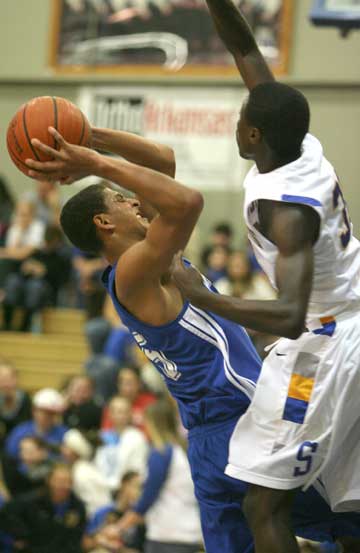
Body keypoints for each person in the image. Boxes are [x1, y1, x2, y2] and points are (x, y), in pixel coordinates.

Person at [24, 123, 360, 552]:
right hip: (246, 425)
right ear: (105, 221)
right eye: (120, 198)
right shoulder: (133, 272)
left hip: (208, 442)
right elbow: (186, 201)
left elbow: (161, 160)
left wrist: (88, 136)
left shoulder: (156, 261)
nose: (133, 199)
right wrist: (93, 162)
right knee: (346, 520)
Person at [169, 0, 360, 552]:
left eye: (239, 122)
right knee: (346, 504)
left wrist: (203, 296)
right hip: (344, 318)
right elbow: (246, 48)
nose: (236, 124)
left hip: (326, 346)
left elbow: (290, 316)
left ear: (254, 137)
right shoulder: (299, 146)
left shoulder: (287, 208)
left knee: (263, 500)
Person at [116, 399, 203, 553]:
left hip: (167, 534)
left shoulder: (161, 453)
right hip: (192, 532)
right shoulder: (184, 450)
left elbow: (149, 496)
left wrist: (120, 526)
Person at [0, 463, 86, 553]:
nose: (62, 485)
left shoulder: (77, 507)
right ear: (48, 480)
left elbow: (76, 539)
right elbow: (6, 515)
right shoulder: (31, 500)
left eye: (67, 481)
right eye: (58, 480)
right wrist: (20, 536)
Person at [83, 471, 145, 553]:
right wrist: (101, 541)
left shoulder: (141, 518)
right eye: (135, 486)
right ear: (123, 485)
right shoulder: (104, 512)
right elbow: (86, 542)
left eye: (141, 488)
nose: (138, 492)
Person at [95, 396, 148, 490]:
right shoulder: (103, 437)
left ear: (130, 414)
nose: (121, 415)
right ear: (109, 414)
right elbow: (98, 465)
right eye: (116, 411)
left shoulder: (137, 438)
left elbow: (137, 470)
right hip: (103, 486)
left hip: (125, 488)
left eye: (124, 412)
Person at [61, 428, 112, 515]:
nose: (62, 449)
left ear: (76, 451)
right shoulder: (78, 469)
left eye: (66, 447)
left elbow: (97, 504)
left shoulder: (82, 473)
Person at [5, 388, 67, 460]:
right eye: (44, 412)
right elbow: (9, 458)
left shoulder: (65, 434)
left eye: (52, 413)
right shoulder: (20, 432)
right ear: (34, 410)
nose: (48, 416)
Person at [101, 366, 156, 431]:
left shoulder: (150, 402)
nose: (127, 388)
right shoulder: (112, 405)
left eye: (130, 382)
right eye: (122, 382)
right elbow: (106, 432)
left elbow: (155, 431)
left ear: (139, 384)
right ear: (118, 385)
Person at [0, 359, 32, 450]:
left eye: (7, 379)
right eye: (1, 379)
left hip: (20, 448)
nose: (4, 383)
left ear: (15, 379)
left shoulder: (25, 400)